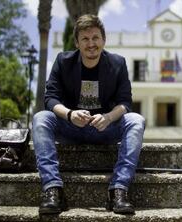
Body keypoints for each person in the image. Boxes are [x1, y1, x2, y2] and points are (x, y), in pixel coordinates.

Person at [32, 14, 145, 215]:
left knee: (136, 120)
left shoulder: (118, 63)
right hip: (70, 127)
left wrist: (109, 117)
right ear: (77, 42)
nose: (91, 43)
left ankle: (118, 190)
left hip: (105, 128)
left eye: (95, 38)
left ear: (103, 40)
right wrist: (69, 114)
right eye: (85, 39)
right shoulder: (63, 61)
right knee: (41, 118)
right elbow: (50, 98)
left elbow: (125, 102)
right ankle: (53, 190)